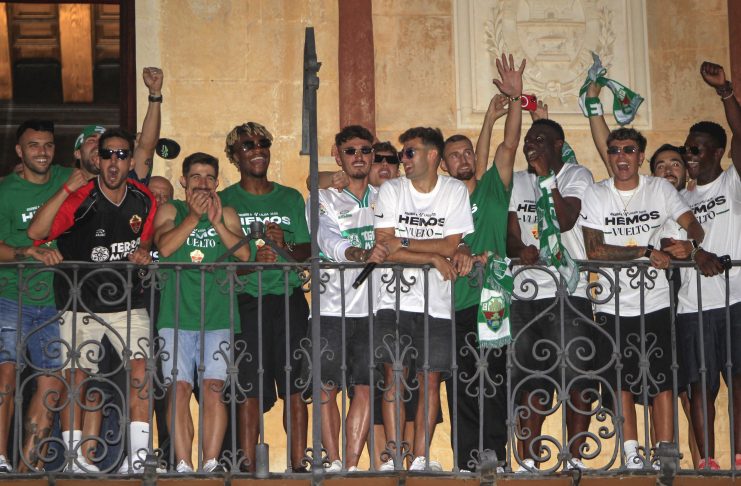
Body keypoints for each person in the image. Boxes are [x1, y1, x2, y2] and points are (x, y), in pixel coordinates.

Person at [28, 128, 157, 473]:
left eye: (122, 155)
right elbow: (36, 233)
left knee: (142, 371)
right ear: (97, 160)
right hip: (79, 303)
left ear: (131, 161)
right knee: (77, 376)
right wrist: (66, 189)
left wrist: (144, 253)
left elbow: (145, 243)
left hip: (128, 303)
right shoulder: (81, 197)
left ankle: (139, 459)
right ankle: (75, 458)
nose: (114, 161)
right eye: (107, 154)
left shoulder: (144, 199)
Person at [580, 127, 705, 469]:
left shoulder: (659, 189)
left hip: (657, 300)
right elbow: (595, 250)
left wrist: (692, 245)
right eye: (615, 150)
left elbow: (694, 225)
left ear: (640, 156)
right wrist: (644, 252)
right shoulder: (597, 193)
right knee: (620, 378)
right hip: (612, 303)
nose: (621, 156)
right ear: (609, 156)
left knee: (662, 378)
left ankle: (665, 452)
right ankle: (631, 452)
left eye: (629, 150)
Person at [373, 126, 474, 471]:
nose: (403, 159)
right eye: (402, 153)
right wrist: (431, 257)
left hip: (437, 302)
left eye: (409, 152)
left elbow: (451, 244)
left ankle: (419, 458)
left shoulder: (454, 191)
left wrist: (405, 244)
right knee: (394, 376)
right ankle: (394, 455)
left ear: (432, 155)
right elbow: (384, 245)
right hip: (393, 299)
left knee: (430, 380)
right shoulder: (392, 189)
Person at [441, 53, 523, 473]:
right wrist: (487, 121)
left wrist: (515, 99)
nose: (463, 159)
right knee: (461, 382)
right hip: (453, 302)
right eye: (454, 155)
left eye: (466, 153)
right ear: (443, 165)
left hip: (492, 298)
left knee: (494, 379)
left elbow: (508, 146)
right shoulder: (440, 200)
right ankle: (467, 459)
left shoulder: (492, 189)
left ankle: (496, 456)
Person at [219, 122, 310, 472]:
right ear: (235, 156)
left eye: (262, 143)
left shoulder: (290, 197)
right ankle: (245, 464)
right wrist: (253, 259)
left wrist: (284, 244)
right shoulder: (225, 200)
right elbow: (219, 259)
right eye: (247, 145)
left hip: (288, 298)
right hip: (246, 300)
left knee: (295, 384)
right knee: (249, 385)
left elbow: (306, 251)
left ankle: (298, 464)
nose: (257, 149)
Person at [506, 116, 595, 472]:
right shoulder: (517, 181)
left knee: (577, 375)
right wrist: (520, 250)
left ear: (558, 145)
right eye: (528, 140)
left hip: (567, 292)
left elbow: (566, 219)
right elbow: (510, 234)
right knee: (531, 379)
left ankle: (575, 457)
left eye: (539, 140)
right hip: (524, 295)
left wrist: (546, 178)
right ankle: (529, 459)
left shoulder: (577, 175)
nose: (530, 145)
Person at [153, 152, 248, 472]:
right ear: (184, 181)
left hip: (218, 316)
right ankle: (182, 462)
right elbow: (165, 248)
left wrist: (217, 222)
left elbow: (244, 254)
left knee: (213, 389)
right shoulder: (172, 209)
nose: (203, 183)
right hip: (175, 316)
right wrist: (193, 218)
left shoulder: (228, 212)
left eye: (209, 177)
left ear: (217, 182)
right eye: (196, 176)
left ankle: (210, 461)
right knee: (178, 389)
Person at [307, 125, 389, 472]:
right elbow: (324, 237)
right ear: (337, 155)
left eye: (365, 150)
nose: (359, 156)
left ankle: (351, 466)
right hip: (330, 307)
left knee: (366, 387)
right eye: (350, 150)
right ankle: (334, 461)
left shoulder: (386, 197)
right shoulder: (323, 197)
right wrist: (356, 253)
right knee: (325, 388)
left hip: (375, 308)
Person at [674, 60, 741, 472]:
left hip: (736, 299)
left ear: (717, 152)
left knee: (738, 382)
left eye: (696, 149)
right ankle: (708, 462)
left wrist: (725, 92)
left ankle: (740, 456)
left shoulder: (732, 183)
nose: (689, 155)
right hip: (693, 305)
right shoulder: (679, 198)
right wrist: (694, 253)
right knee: (701, 386)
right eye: (687, 149)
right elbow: (668, 243)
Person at [0, 120, 71, 472]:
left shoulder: (66, 178)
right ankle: (0, 459)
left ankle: (28, 468)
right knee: (6, 376)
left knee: (51, 382)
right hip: (10, 297)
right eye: (33, 145)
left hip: (55, 302)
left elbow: (112, 167)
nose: (42, 152)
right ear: (19, 151)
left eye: (47, 145)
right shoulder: (5, 191)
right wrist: (26, 251)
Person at [71, 67, 164, 183]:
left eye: (103, 142)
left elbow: (146, 146)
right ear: (78, 153)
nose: (98, 144)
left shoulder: (124, 182)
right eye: (91, 140)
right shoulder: (66, 186)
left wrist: (155, 93)